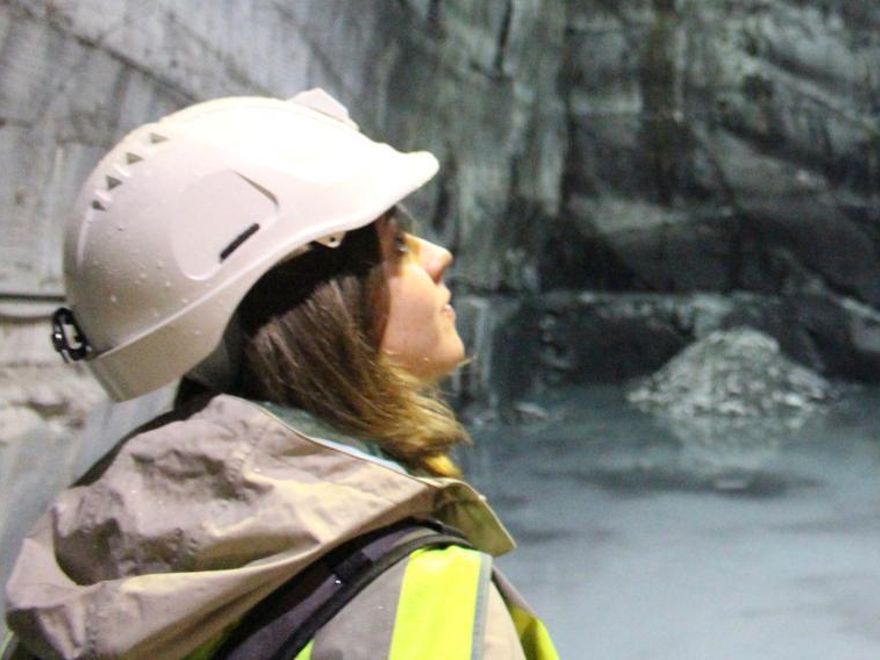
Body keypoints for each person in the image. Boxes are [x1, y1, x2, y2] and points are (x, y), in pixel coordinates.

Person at [3, 90, 558, 659]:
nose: (437, 254)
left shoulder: (80, 584)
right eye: (395, 245)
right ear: (316, 303)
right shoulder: (427, 599)